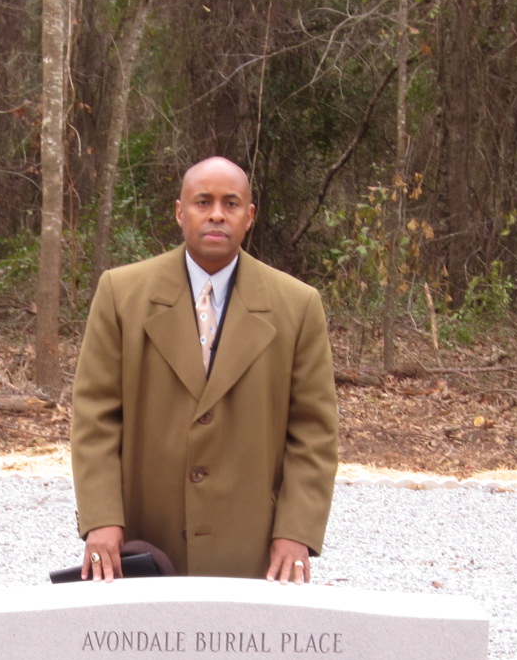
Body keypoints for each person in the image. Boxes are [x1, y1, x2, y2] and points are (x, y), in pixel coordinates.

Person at [71, 156, 339, 582]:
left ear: (249, 216)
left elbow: (313, 432)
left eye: (231, 203)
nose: (216, 213)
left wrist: (296, 531)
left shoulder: (298, 305)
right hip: (146, 540)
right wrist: (102, 518)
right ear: (180, 211)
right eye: (203, 201)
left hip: (252, 546)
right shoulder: (121, 295)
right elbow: (95, 418)